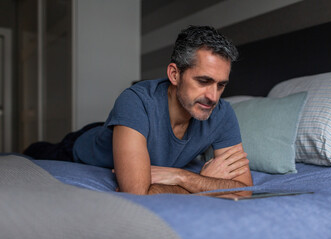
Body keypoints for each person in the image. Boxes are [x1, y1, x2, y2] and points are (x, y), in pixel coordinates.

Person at [24, 25, 253, 195]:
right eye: (203, 81)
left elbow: (244, 190)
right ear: (174, 74)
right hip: (82, 147)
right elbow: (139, 193)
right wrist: (206, 184)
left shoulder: (222, 113)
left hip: (132, 134)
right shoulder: (135, 100)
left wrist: (182, 176)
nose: (213, 97)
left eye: (221, 85)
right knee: (36, 151)